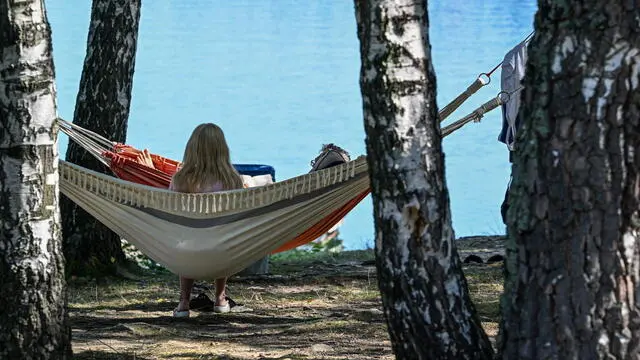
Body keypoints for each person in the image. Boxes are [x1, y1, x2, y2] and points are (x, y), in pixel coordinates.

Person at [137, 123, 244, 318]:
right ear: (222, 149)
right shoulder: (233, 180)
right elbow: (239, 217)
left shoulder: (181, 179)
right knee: (224, 233)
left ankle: (184, 302)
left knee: (186, 235)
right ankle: (220, 298)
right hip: (222, 247)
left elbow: (171, 212)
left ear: (192, 149)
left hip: (188, 248)